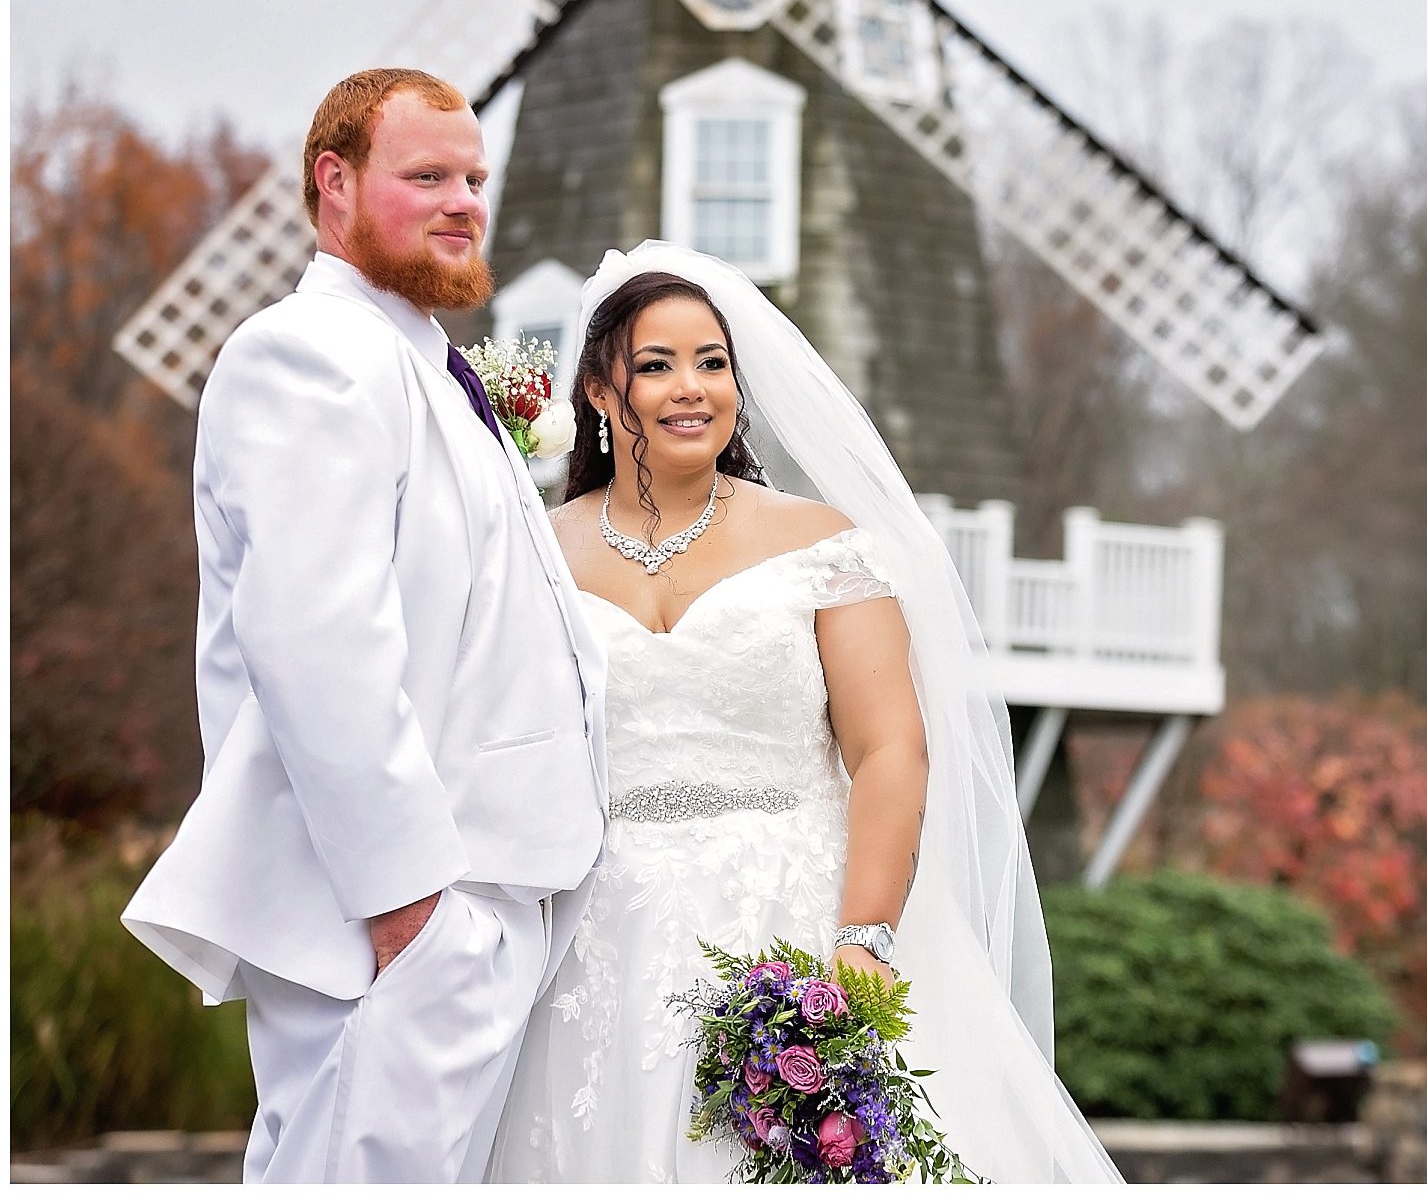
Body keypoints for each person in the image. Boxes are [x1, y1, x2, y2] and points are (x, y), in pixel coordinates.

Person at [489, 242, 1122, 1183]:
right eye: (655, 365)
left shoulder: (821, 544)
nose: (690, 387)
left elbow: (889, 748)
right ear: (596, 390)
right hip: (597, 943)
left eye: (711, 362)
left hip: (798, 918)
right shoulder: (534, 552)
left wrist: (863, 937)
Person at [121, 68, 608, 1184]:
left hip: (476, 897)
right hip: (395, 913)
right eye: (426, 174)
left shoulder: (420, 362)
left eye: (474, 177)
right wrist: (409, 908)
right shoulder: (306, 352)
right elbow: (314, 640)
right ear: (333, 183)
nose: (463, 200)